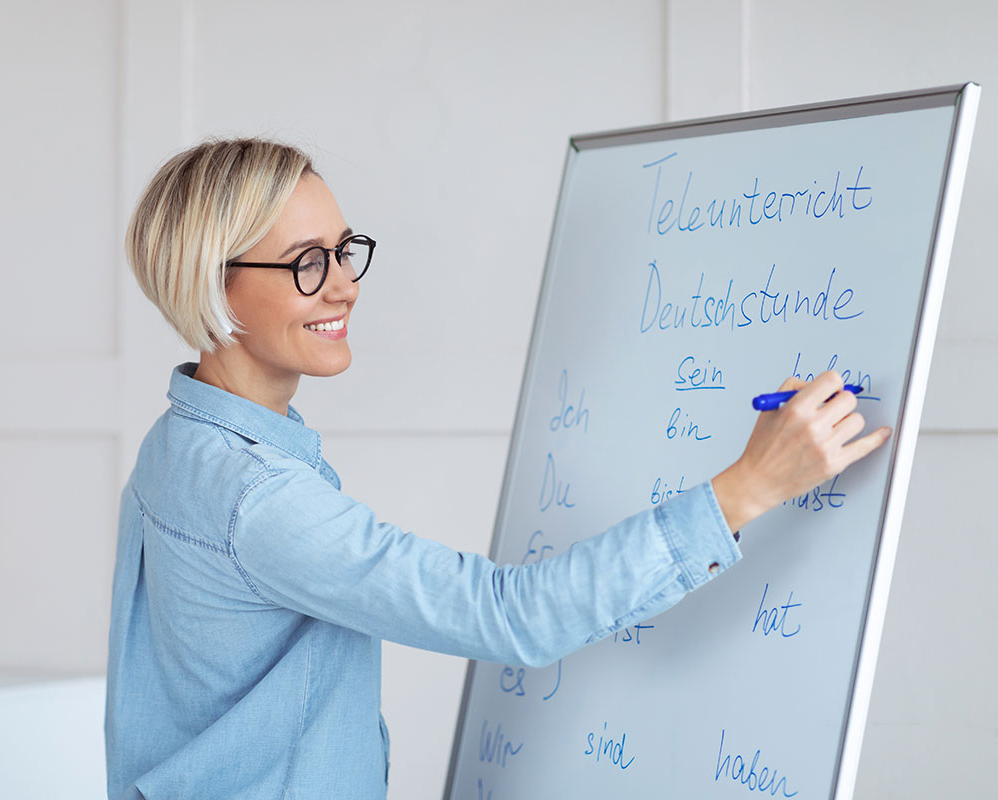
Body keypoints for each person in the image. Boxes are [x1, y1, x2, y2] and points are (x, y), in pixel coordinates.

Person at [104, 138, 891, 799]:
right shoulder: (258, 497)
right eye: (307, 262)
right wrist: (747, 487)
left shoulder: (178, 444)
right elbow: (507, 616)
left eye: (345, 251)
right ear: (216, 284)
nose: (344, 283)